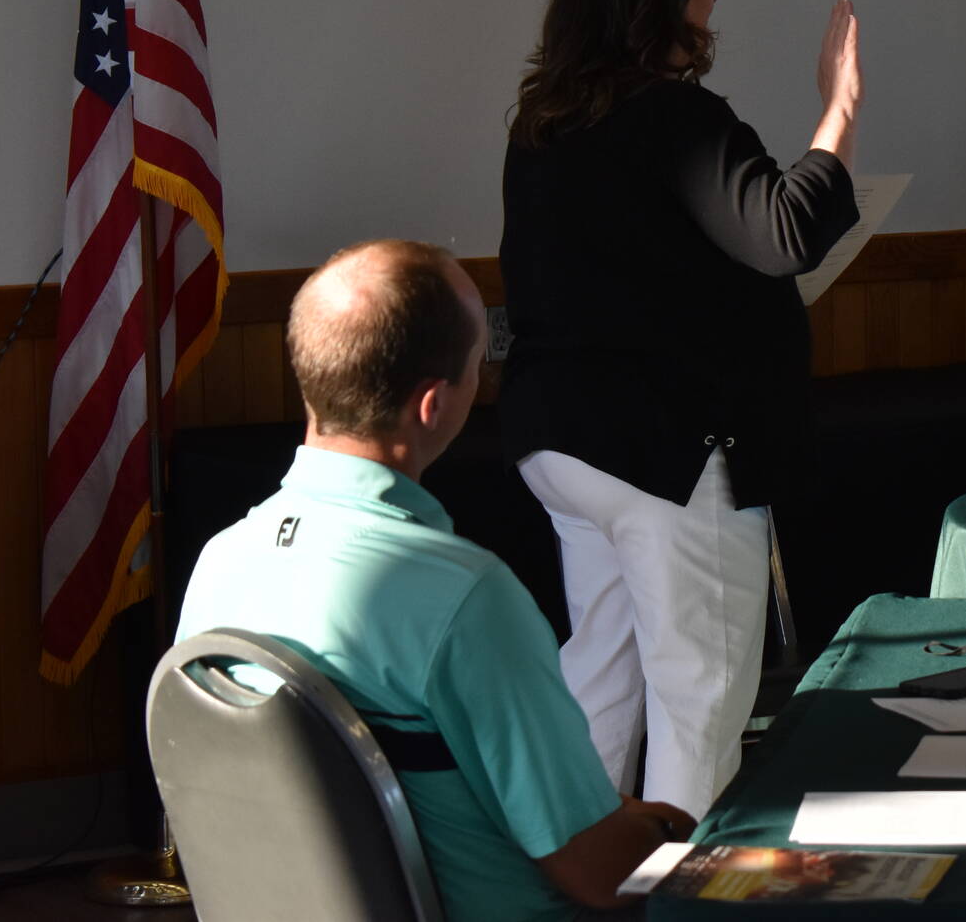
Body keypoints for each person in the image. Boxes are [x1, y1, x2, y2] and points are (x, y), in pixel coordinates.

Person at [177, 240, 694, 920]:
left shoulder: (218, 565)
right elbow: (597, 871)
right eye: (479, 364)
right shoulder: (466, 600)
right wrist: (672, 826)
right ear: (433, 405)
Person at [499, 0, 860, 820]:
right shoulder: (675, 117)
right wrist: (838, 113)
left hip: (568, 446)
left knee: (603, 676)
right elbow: (783, 233)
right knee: (699, 701)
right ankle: (682, 898)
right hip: (668, 452)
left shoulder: (543, 124)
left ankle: (569, 886)